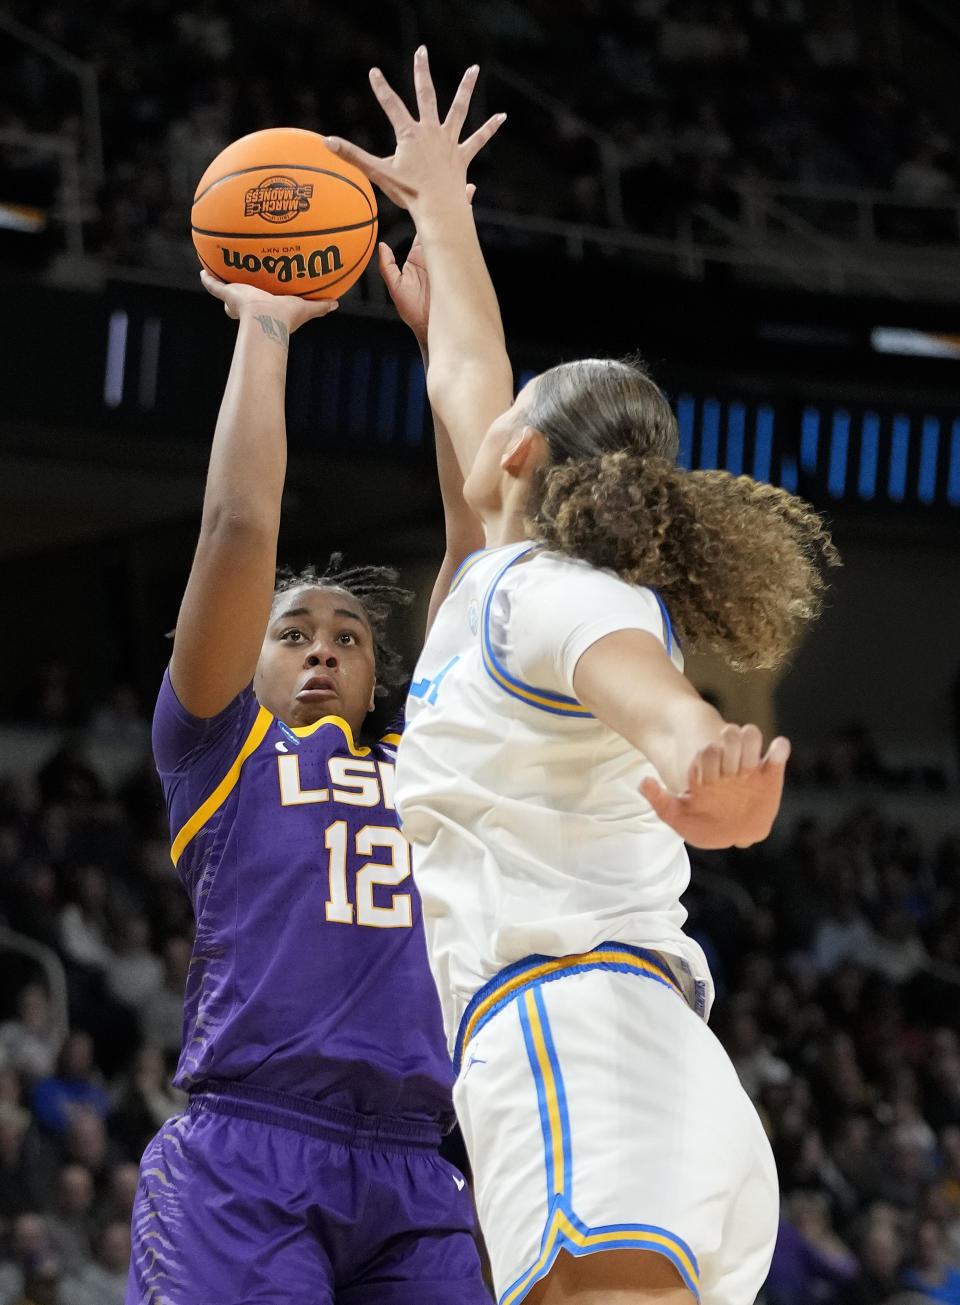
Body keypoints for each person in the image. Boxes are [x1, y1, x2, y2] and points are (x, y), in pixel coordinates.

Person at [326, 47, 839, 1305]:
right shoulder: (507, 580)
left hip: (577, 1034)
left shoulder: (551, 595)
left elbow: (671, 724)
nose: (475, 408)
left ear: (525, 447)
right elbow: (465, 375)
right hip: (634, 1057)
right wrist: (438, 206)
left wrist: (710, 767)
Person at [125, 73, 502, 1303]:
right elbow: (240, 523)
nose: (326, 644)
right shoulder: (220, 753)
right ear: (257, 660)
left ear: (387, 673)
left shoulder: (428, 758)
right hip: (248, 1151)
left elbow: (477, 544)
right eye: (297, 631)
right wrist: (265, 326)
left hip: (417, 1169)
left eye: (349, 631)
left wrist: (442, 337)